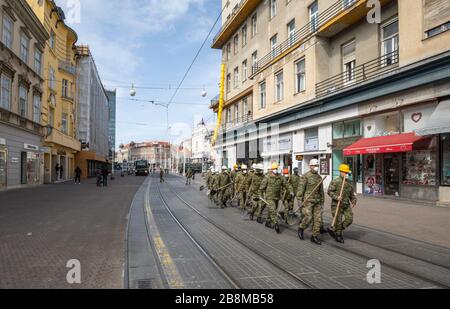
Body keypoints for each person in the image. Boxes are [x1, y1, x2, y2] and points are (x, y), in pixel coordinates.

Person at [297, 159, 325, 245]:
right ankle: (301, 228)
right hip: (307, 201)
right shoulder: (305, 176)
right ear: (310, 166)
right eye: (314, 166)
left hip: (317, 201)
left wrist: (322, 201)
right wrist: (299, 201)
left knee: (318, 219)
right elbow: (300, 190)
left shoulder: (319, 177)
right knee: (308, 218)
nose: (316, 167)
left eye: (317, 166)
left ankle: (314, 236)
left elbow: (321, 191)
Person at [327, 164, 357, 243]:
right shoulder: (335, 181)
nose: (346, 174)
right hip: (336, 205)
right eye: (345, 172)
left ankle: (337, 230)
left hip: (346, 204)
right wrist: (337, 197)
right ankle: (338, 235)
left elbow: (351, 194)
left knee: (349, 219)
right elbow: (329, 192)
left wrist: (353, 200)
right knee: (338, 221)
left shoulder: (349, 182)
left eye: (347, 173)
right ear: (341, 172)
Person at [259, 163, 285, 234]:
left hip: (276, 197)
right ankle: (276, 224)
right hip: (269, 197)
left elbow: (286, 184)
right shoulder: (267, 177)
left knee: (271, 210)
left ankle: (267, 221)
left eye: (276, 169)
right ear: (272, 169)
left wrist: (290, 190)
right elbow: (261, 188)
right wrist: (260, 195)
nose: (275, 170)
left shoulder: (280, 177)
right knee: (273, 210)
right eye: (274, 169)